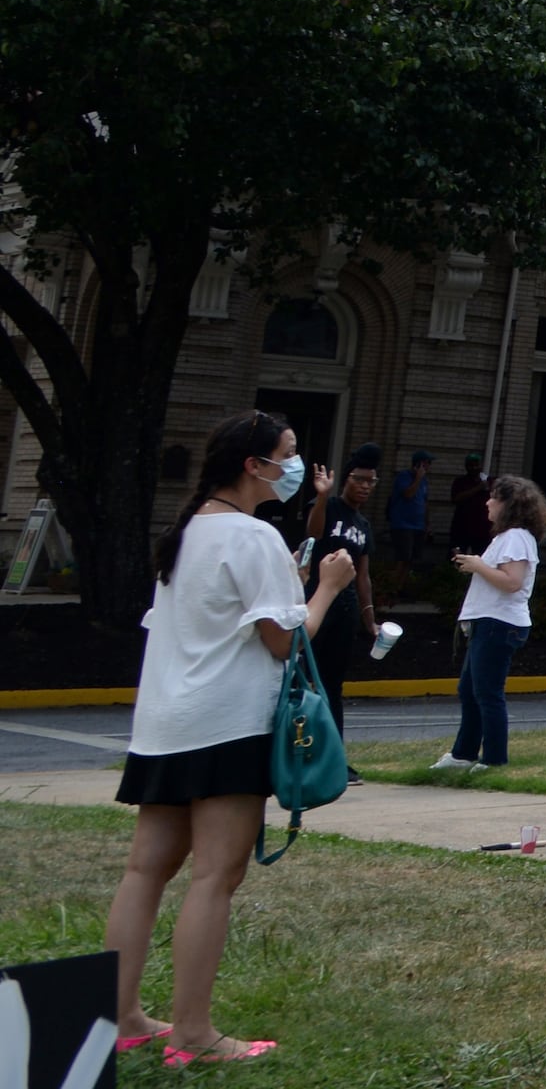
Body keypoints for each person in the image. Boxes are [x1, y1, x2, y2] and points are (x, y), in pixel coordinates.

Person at [110, 408, 355, 1064]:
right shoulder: (253, 537)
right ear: (255, 465)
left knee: (144, 871)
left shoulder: (187, 532)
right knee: (215, 878)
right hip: (227, 726)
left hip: (164, 722)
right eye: (289, 452)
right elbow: (284, 640)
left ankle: (121, 1014)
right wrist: (328, 588)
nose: (296, 465)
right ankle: (194, 1033)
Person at [430, 475, 546, 773]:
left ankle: (493, 758)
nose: (488, 502)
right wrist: (476, 565)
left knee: (487, 692)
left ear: (509, 504)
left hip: (500, 623)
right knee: (469, 689)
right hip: (490, 622)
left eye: (494, 497)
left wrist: (478, 565)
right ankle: (463, 754)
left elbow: (512, 582)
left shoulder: (516, 537)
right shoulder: (507, 537)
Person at [308, 445, 384, 731]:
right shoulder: (328, 506)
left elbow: (363, 576)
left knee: (332, 683)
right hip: (316, 600)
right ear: (346, 480)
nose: (365, 486)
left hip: (345, 607)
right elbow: (313, 534)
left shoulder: (363, 525)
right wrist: (321, 496)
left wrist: (370, 620)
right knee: (304, 675)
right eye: (359, 479)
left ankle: (334, 756)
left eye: (371, 481)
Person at [386, 450, 434, 568]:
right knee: (403, 558)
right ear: (419, 464)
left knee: (413, 560)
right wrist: (417, 478)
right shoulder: (404, 477)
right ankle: (394, 584)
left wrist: (427, 524)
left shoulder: (424, 481)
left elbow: (425, 502)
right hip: (403, 525)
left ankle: (403, 584)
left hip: (418, 526)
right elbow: (408, 494)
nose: (429, 466)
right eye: (427, 463)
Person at [446, 455, 490, 558]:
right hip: (462, 527)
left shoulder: (488, 481)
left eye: (476, 465)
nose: (474, 468)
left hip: (482, 529)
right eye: (471, 465)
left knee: (481, 557)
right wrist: (478, 488)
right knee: (457, 557)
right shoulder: (460, 482)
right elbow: (456, 498)